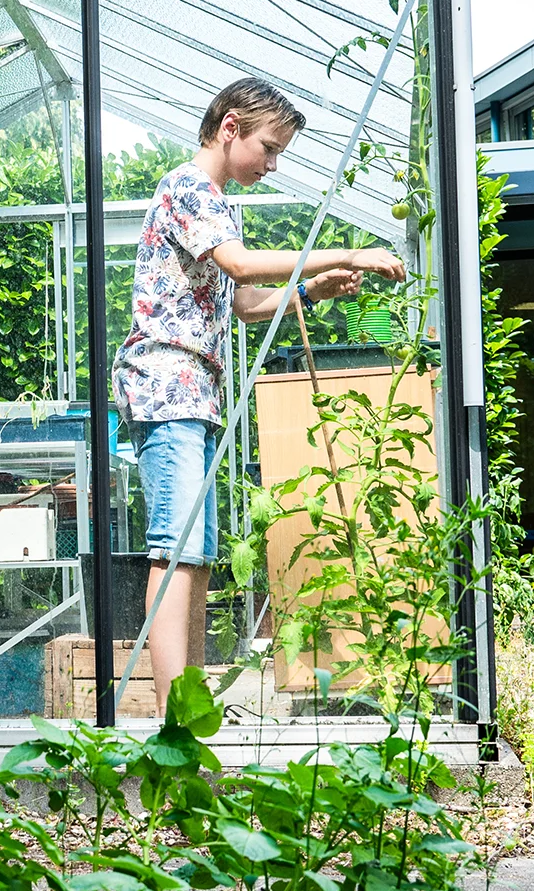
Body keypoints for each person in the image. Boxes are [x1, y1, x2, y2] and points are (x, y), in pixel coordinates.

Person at [114, 75, 406, 705]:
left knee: (196, 556)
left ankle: (186, 711)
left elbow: (243, 301)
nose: (273, 164)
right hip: (167, 385)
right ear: (230, 128)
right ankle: (174, 720)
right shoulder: (188, 187)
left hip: (193, 394)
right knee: (175, 550)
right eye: (270, 148)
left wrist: (310, 289)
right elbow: (242, 266)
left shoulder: (217, 201)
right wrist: (349, 255)